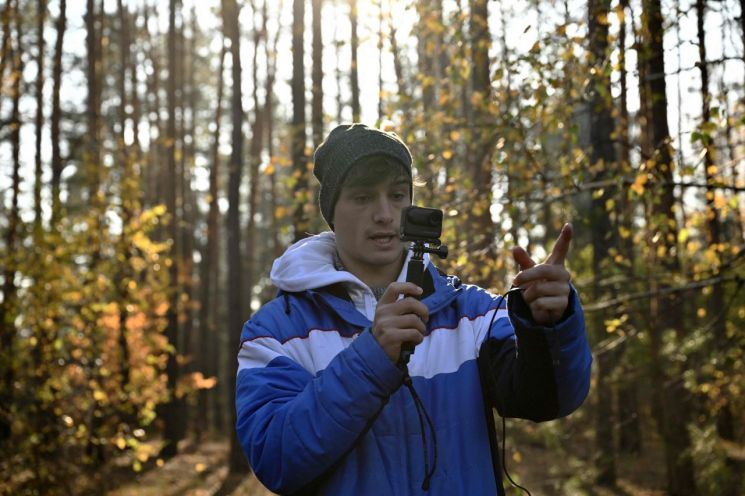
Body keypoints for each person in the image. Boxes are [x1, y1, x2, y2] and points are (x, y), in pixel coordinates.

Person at [235, 124, 592, 495]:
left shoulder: (471, 313)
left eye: (397, 194)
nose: (385, 214)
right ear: (332, 213)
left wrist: (549, 327)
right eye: (362, 197)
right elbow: (276, 458)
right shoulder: (276, 331)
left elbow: (547, 400)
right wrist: (371, 357)